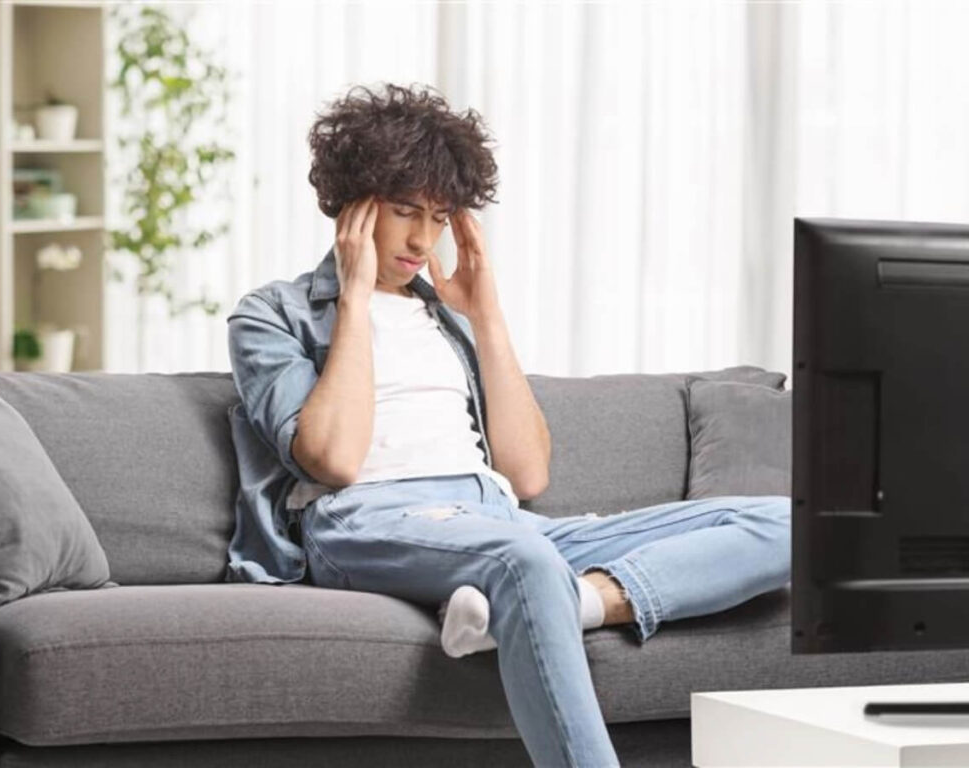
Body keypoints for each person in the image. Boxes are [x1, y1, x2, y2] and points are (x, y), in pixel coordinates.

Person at [226, 82, 791, 768]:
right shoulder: (273, 314)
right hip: (367, 520)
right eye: (405, 211)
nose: (422, 238)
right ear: (352, 205)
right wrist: (353, 298)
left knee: (792, 522)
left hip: (497, 517)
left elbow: (526, 474)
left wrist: (484, 314)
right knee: (526, 561)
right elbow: (334, 461)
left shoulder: (447, 321)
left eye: (439, 217)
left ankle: (577, 601)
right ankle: (535, 598)